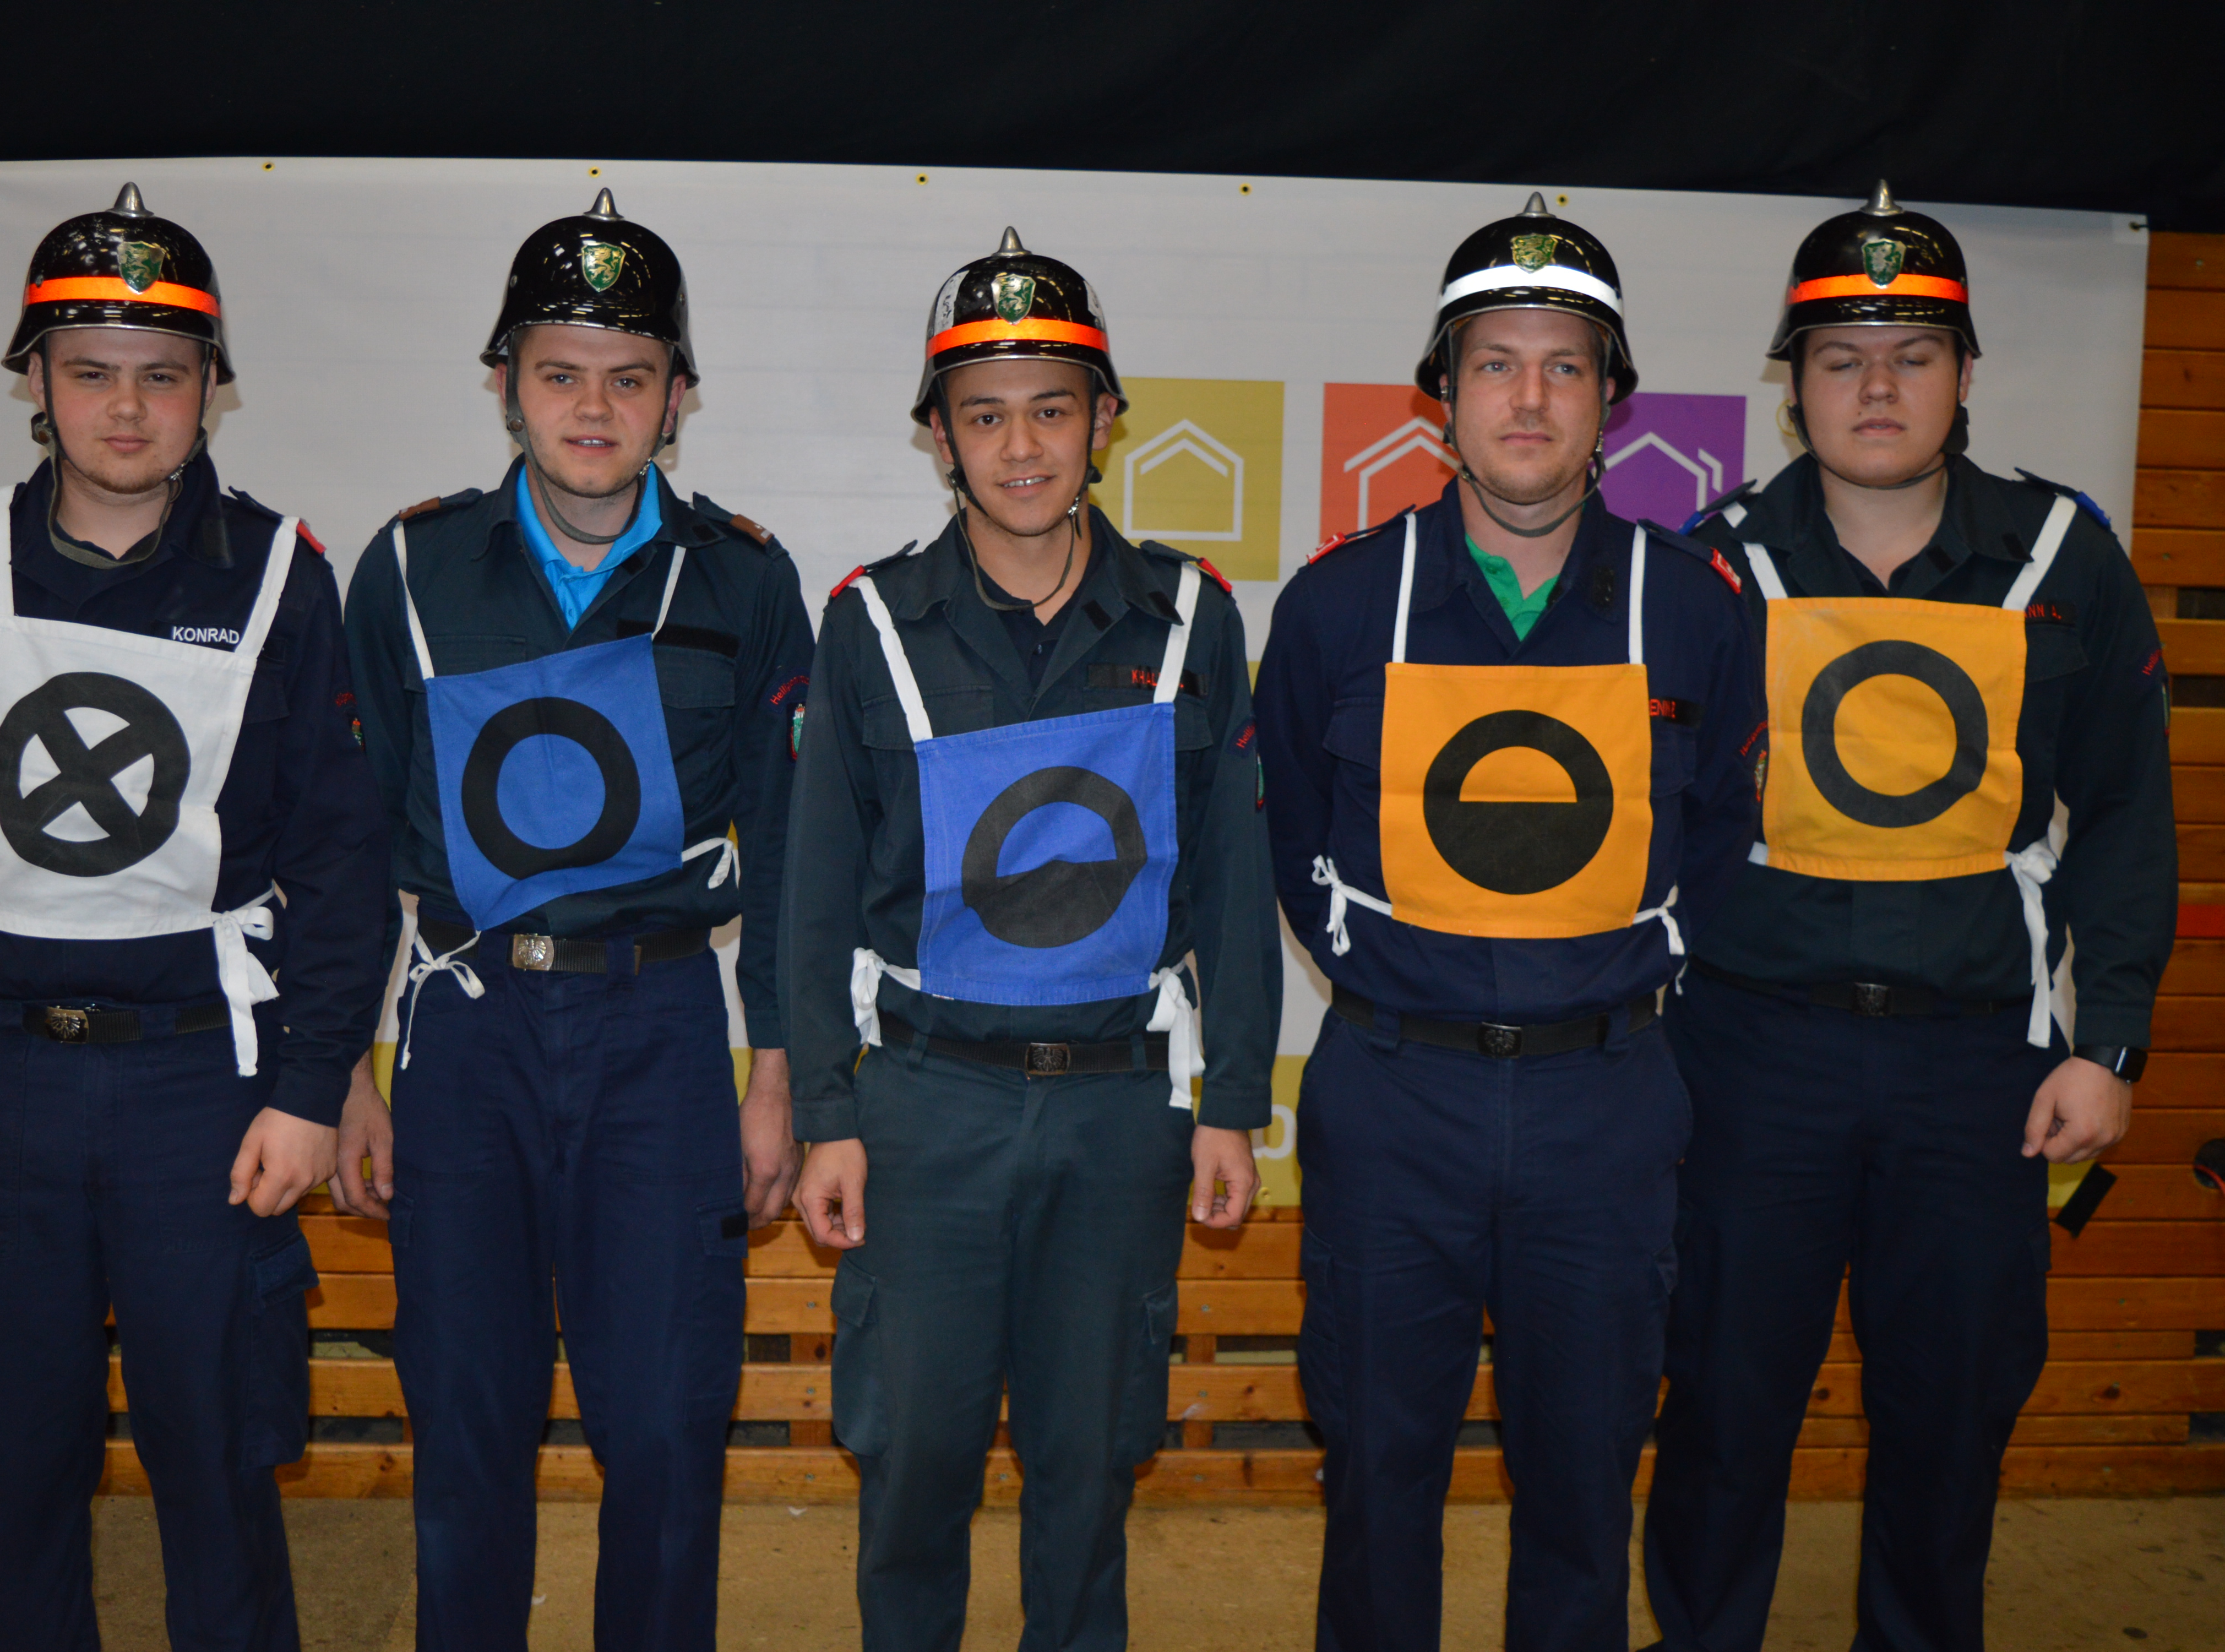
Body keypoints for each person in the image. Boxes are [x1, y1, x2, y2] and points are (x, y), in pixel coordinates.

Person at [0, 183, 385, 1648]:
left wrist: (308, 1089)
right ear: (35, 382)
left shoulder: (280, 575)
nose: (127, 410)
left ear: (210, 389)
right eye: (90, 373)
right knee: (10, 1478)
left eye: (162, 375)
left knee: (220, 1470)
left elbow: (339, 861)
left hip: (203, 1087)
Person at [1641, 182, 2176, 1652]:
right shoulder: (1707, 565)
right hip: (1750, 1062)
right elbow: (1647, 825)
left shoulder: (2065, 558)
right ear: (1793, 382)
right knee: (1723, 1406)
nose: (1877, 389)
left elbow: (2128, 819)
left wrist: (2109, 1046)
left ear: (1965, 371)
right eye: (1842, 358)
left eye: (1913, 355)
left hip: (1977, 1072)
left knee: (1952, 1421)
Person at [1254, 194, 1764, 1650]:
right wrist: (1406, 984)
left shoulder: (1695, 607)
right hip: (1393, 1098)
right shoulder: (1341, 605)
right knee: (1378, 1478)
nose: (1528, 398)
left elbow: (1722, 838)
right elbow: (1293, 829)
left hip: (1608, 1104)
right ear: (1444, 392)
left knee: (1585, 1490)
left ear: (1611, 401)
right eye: (1495, 363)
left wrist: (1605, 986)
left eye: (1563, 366)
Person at [782, 227, 1279, 1652]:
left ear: (1105, 421)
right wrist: (828, 1117)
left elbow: (1234, 881)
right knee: (914, 1467)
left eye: (1052, 409)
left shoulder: (1191, 617)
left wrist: (1233, 1103)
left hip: (1123, 1114)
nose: (1021, 447)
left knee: (1090, 1467)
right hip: (927, 1110)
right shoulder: (869, 623)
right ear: (937, 435)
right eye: (985, 414)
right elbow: (817, 893)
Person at [340, 188, 814, 1652]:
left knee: (666, 1432)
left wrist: (778, 1073)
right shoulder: (410, 569)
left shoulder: (745, 576)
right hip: (465, 1032)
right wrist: (346, 1068)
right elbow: (351, 839)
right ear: (506, 382)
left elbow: (791, 851)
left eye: (629, 376)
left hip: (660, 1030)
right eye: (560, 372)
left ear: (677, 397)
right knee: (466, 1426)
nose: (593, 408)